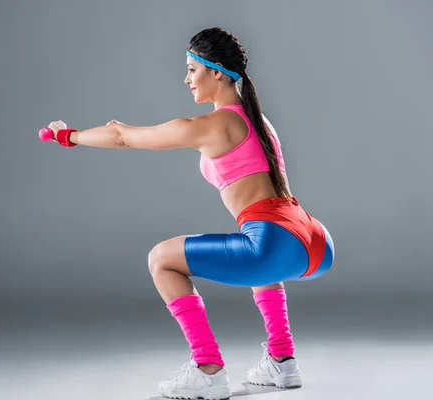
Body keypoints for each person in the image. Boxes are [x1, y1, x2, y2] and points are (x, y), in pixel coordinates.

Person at [43, 27, 334, 400]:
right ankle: (282, 359)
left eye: (191, 69)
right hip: (313, 241)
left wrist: (69, 136)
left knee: (161, 259)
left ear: (216, 72)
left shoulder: (211, 126)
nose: (186, 79)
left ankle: (207, 368)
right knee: (259, 256)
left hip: (274, 241)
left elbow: (123, 136)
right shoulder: (260, 121)